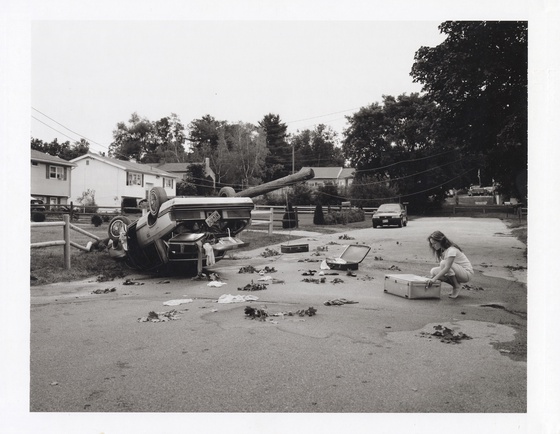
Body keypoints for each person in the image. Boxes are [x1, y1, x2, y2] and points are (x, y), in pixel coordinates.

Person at [426, 231, 473, 298]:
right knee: (433, 271)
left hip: (466, 274)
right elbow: (446, 270)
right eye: (432, 244)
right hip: (457, 271)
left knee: (443, 264)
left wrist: (434, 279)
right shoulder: (442, 250)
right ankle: (456, 284)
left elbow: (447, 268)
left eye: (434, 243)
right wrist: (432, 278)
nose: (433, 246)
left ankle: (456, 286)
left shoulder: (451, 250)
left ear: (441, 241)